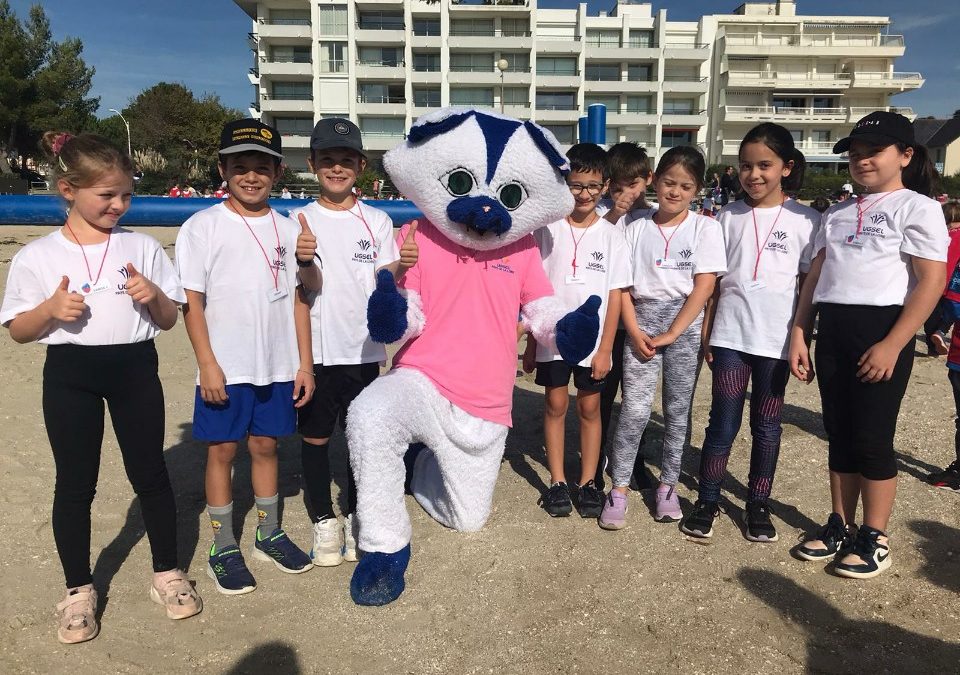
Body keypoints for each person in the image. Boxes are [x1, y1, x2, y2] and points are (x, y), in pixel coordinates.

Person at [0, 132, 202, 644]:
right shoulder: (38, 256)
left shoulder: (141, 246)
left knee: (150, 473)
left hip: (135, 368)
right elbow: (19, 331)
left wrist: (155, 294)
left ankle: (167, 573)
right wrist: (48, 311)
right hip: (70, 374)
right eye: (106, 195)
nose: (118, 205)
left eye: (126, 195)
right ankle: (78, 590)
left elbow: (168, 320)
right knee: (75, 482)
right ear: (68, 188)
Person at [789, 111, 947, 578]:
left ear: (905, 154)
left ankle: (875, 536)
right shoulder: (836, 212)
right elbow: (816, 277)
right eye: (855, 155)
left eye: (873, 153)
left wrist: (894, 343)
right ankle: (840, 521)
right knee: (839, 432)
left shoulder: (917, 207)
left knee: (873, 438)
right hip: (833, 328)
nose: (861, 162)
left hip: (881, 330)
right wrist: (800, 332)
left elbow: (930, 282)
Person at [176, 119, 320, 595]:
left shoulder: (289, 227)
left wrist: (304, 364)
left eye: (262, 167)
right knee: (222, 451)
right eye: (241, 166)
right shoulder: (202, 227)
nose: (251, 176)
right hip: (227, 364)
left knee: (266, 447)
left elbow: (305, 296)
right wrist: (208, 363)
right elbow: (190, 302)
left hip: (277, 364)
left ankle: (268, 531)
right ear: (223, 169)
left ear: (277, 172)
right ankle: (222, 545)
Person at [681, 123, 820, 542]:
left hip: (776, 341)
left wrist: (802, 337)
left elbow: (807, 290)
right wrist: (708, 334)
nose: (754, 175)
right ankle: (707, 498)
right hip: (729, 339)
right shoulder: (725, 218)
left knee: (767, 424)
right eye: (745, 166)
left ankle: (757, 504)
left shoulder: (806, 220)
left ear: (786, 167)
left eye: (764, 165)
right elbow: (714, 285)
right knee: (722, 423)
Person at [289, 118, 416, 566]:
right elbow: (305, 289)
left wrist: (401, 267)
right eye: (327, 160)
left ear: (360, 166)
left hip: (363, 350)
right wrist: (305, 257)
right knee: (317, 438)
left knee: (361, 438)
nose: (336, 168)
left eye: (346, 160)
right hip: (319, 350)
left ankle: (359, 513)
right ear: (312, 164)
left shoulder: (377, 220)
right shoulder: (296, 220)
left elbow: (382, 278)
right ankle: (325, 520)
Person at [599, 146, 726, 528]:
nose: (675, 192)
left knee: (676, 410)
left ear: (698, 189)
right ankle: (619, 487)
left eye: (685, 186)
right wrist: (636, 331)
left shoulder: (706, 227)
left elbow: (704, 286)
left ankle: (668, 485)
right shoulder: (636, 226)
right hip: (640, 321)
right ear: (654, 180)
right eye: (669, 182)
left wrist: (675, 331)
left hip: (683, 324)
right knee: (635, 410)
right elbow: (621, 286)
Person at [523, 143, 631, 518]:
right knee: (554, 403)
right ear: (564, 183)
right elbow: (532, 287)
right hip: (552, 335)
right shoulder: (545, 229)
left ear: (605, 187)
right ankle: (556, 480)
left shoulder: (612, 235)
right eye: (576, 185)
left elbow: (616, 296)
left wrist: (606, 349)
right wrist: (531, 343)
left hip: (594, 342)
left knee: (589, 407)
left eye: (593, 186)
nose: (584, 194)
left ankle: (587, 481)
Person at [593, 141, 654, 489]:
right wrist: (615, 212)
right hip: (610, 320)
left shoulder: (657, 215)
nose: (626, 193)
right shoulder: (603, 215)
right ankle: (597, 455)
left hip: (644, 318)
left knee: (637, 399)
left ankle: (635, 459)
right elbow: (596, 243)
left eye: (633, 185)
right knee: (603, 393)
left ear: (648, 178)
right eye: (617, 188)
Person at [924, 201, 960, 355]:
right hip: (951, 284)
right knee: (949, 314)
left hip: (932, 281)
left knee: (931, 314)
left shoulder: (941, 235)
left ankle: (933, 343)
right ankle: (940, 334)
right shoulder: (957, 235)